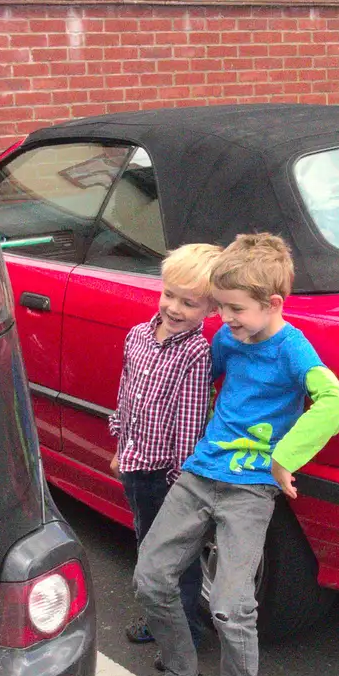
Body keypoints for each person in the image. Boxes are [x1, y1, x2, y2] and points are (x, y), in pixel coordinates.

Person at [122, 233, 339, 676]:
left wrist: (284, 457)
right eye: (221, 307)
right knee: (152, 577)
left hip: (249, 491)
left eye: (235, 309)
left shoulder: (292, 350)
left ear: (273, 304)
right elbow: (205, 383)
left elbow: (336, 404)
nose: (223, 319)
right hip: (201, 472)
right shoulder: (228, 339)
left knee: (230, 604)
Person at [109, 243, 222, 650]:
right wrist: (121, 443)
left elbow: (190, 425)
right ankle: (161, 618)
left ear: (210, 309)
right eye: (169, 295)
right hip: (137, 466)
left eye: (189, 303)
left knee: (177, 556)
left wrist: (180, 480)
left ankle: (186, 632)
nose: (175, 308)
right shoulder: (138, 336)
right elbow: (127, 393)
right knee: (146, 544)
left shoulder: (195, 353)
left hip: (166, 476)